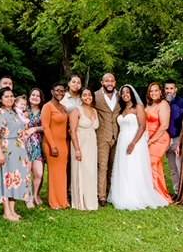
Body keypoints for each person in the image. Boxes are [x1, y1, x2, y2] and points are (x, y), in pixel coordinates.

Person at [108, 85, 169, 210]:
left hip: (135, 140)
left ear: (132, 94)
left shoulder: (138, 107)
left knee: (134, 166)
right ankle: (122, 193)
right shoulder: (122, 110)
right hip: (122, 140)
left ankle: (136, 195)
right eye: (123, 92)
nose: (125, 94)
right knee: (123, 167)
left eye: (128, 92)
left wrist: (133, 143)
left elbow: (142, 126)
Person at [0, 88, 33, 221]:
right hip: (5, 149)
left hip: (18, 149)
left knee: (15, 179)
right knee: (6, 179)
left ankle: (13, 210)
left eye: (12, 96)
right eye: (6, 96)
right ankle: (6, 211)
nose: (10, 98)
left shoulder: (14, 112)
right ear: (0, 99)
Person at [70, 87, 99, 210]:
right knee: (81, 171)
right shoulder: (76, 111)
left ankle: (91, 201)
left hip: (92, 145)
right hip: (80, 144)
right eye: (85, 95)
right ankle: (80, 202)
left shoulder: (94, 111)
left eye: (90, 95)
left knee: (91, 172)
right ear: (81, 97)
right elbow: (72, 131)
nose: (88, 97)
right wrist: (77, 149)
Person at [42, 82, 69, 209]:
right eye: (57, 90)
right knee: (54, 173)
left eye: (62, 91)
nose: (60, 93)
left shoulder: (63, 107)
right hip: (51, 143)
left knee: (62, 172)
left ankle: (63, 200)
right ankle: (54, 201)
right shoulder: (47, 107)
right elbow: (46, 127)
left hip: (63, 144)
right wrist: (52, 145)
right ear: (52, 91)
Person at [94, 73, 121, 206]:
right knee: (102, 166)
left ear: (115, 82)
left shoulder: (121, 95)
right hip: (102, 136)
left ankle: (110, 192)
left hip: (118, 136)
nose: (109, 83)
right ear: (102, 82)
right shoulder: (95, 96)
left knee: (113, 166)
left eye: (112, 80)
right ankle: (101, 195)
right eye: (106, 81)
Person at [145, 82, 173, 202]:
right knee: (155, 165)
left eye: (156, 90)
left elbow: (164, 125)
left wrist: (151, 140)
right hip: (148, 137)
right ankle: (153, 192)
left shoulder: (163, 104)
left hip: (160, 138)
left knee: (151, 163)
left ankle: (158, 194)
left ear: (161, 92)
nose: (153, 93)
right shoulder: (149, 105)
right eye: (151, 91)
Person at [164, 81, 183, 194]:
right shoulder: (163, 103)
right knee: (172, 168)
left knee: (180, 166)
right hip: (166, 139)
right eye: (167, 88)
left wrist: (182, 141)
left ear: (176, 89)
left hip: (178, 138)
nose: (169, 91)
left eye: (171, 88)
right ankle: (177, 192)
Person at [26, 88, 45, 206]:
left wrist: (35, 128)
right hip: (25, 144)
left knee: (39, 173)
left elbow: (47, 127)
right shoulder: (23, 109)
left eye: (37, 95)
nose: (35, 97)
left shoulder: (44, 111)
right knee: (27, 172)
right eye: (33, 95)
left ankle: (35, 195)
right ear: (29, 97)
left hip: (38, 144)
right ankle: (28, 198)